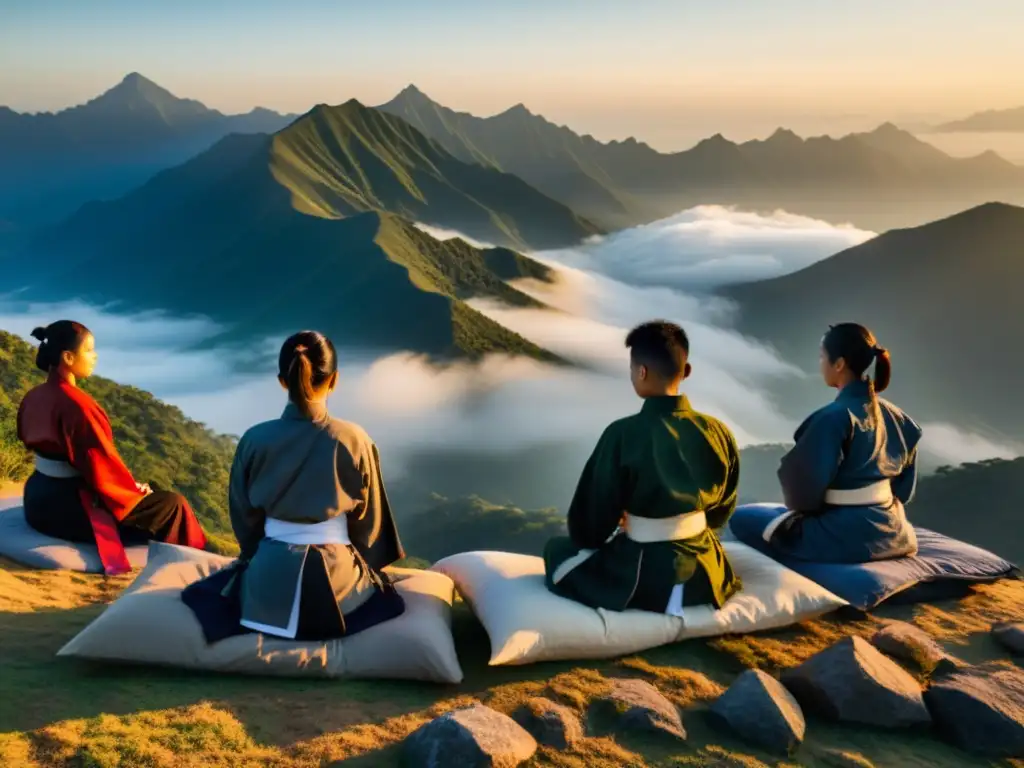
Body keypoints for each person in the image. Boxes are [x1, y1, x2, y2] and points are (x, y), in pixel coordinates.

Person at [182, 330, 405, 643]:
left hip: (269, 577)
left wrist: (253, 556)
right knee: (383, 597)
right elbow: (369, 523)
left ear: (282, 380)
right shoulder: (355, 439)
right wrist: (365, 563)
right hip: (339, 580)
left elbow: (244, 517)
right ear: (335, 379)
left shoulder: (254, 439)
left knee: (213, 592)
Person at [543, 320, 742, 616]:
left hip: (647, 577)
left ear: (641, 371)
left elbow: (589, 528)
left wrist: (626, 523)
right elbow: (722, 508)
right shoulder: (718, 430)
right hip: (708, 572)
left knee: (557, 549)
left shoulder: (622, 434)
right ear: (685, 372)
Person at [16, 320, 208, 575]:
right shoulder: (78, 406)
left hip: (38, 498)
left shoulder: (34, 396)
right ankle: (188, 570)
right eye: (89, 351)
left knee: (153, 493)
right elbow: (100, 468)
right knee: (174, 504)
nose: (95, 357)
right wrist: (133, 491)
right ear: (68, 357)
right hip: (66, 510)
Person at [763, 323, 921, 563]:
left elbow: (801, 498)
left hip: (845, 537)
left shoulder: (832, 419)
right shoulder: (900, 418)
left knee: (744, 520)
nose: (820, 364)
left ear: (839, 364)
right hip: (894, 533)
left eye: (821, 357)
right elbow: (904, 492)